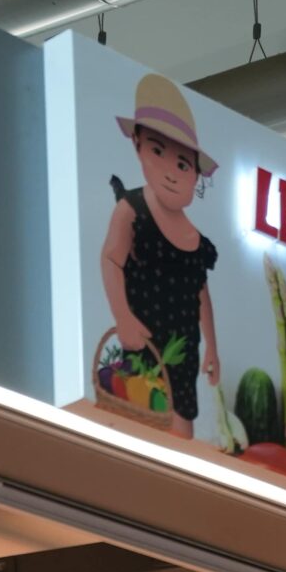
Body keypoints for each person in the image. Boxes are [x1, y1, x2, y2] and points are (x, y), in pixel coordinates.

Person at [102, 73, 221, 443]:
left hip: (184, 352)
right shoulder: (130, 210)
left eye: (184, 165)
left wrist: (212, 347)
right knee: (138, 424)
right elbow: (111, 261)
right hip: (142, 342)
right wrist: (122, 318)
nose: (172, 172)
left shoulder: (196, 240)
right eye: (158, 151)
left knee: (181, 432)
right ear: (137, 146)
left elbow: (200, 293)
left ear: (196, 177)